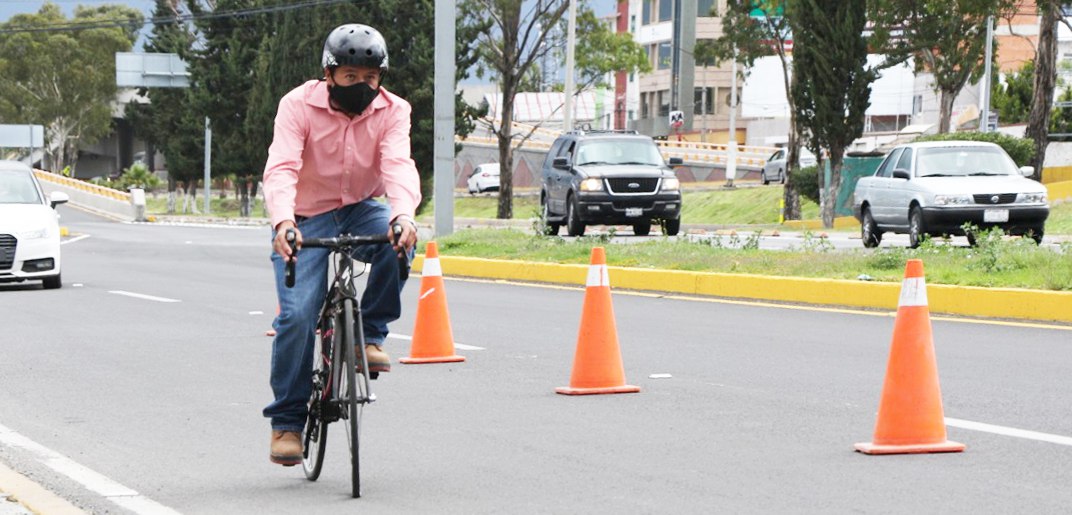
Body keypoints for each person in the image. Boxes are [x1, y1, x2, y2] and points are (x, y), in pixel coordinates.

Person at [261, 23, 421, 466]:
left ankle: (368, 337)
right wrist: (284, 222)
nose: (362, 87)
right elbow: (281, 168)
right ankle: (288, 423)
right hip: (305, 216)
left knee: (400, 241)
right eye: (351, 77)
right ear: (328, 74)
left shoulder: (394, 110)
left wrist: (402, 215)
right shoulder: (297, 105)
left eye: (370, 79)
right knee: (296, 317)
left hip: (360, 207)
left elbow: (398, 165)